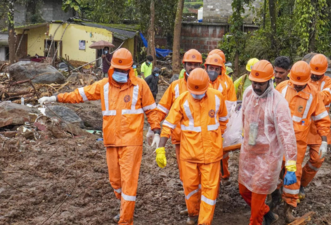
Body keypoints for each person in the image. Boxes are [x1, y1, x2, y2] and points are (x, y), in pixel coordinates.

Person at [38, 48, 160, 225]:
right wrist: (55, 98)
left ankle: (126, 220)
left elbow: (151, 109)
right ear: (112, 69)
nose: (119, 73)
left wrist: (155, 130)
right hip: (111, 141)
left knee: (128, 182)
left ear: (130, 69)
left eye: (123, 70)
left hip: (131, 142)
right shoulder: (104, 86)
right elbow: (80, 94)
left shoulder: (140, 86)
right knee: (115, 181)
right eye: (117, 70)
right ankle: (123, 205)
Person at [155, 68, 229, 225]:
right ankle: (193, 213)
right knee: (190, 188)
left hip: (211, 155)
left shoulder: (217, 98)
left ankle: (204, 221)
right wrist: (161, 147)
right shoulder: (182, 100)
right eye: (194, 92)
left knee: (210, 191)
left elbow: (223, 119)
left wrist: (216, 136)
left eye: (200, 92)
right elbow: (168, 124)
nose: (196, 95)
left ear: (207, 85)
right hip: (189, 155)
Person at [239, 60, 298, 225]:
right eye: (254, 82)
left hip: (268, 157)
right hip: (249, 153)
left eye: (260, 84)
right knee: (243, 190)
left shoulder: (279, 103)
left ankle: (258, 218)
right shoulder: (248, 94)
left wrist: (291, 165)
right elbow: (244, 115)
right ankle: (267, 212)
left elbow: (287, 135)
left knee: (256, 204)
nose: (256, 87)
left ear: (270, 81)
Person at [275, 61, 331, 223]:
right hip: (277, 141)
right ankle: (272, 201)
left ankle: (288, 208)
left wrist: (324, 141)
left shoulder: (313, 94)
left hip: (296, 144)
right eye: (296, 84)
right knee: (274, 170)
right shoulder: (282, 88)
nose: (298, 87)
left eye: (301, 85)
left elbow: (321, 118)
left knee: (293, 175)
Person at [150, 49, 203, 191]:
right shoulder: (175, 86)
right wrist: (154, 127)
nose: (192, 67)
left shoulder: (206, 86)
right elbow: (162, 109)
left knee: (202, 173)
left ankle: (200, 205)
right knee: (185, 174)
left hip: (201, 139)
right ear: (184, 65)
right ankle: (193, 206)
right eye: (190, 64)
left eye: (196, 64)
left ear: (200, 66)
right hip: (181, 139)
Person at [300, 54, 331, 200]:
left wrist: (310, 94)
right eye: (312, 73)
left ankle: (302, 183)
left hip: (319, 127)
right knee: (292, 159)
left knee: (317, 159)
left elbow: (326, 97)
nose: (314, 77)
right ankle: (289, 185)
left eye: (317, 75)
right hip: (302, 126)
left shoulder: (329, 82)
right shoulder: (303, 77)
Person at [208, 49, 237, 183]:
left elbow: (231, 102)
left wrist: (229, 121)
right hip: (206, 119)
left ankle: (223, 172)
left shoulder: (227, 82)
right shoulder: (203, 78)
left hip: (222, 120)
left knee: (222, 150)